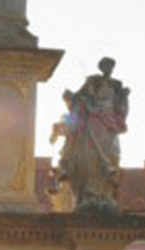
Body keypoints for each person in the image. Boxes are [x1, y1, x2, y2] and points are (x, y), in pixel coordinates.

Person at [54, 57, 130, 212]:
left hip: (110, 124)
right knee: (91, 158)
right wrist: (67, 115)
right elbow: (77, 105)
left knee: (112, 154)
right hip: (94, 122)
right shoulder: (91, 82)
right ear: (101, 67)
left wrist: (123, 97)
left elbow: (121, 108)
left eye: (110, 66)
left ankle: (105, 194)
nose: (108, 69)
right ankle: (90, 193)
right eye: (105, 66)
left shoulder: (117, 86)